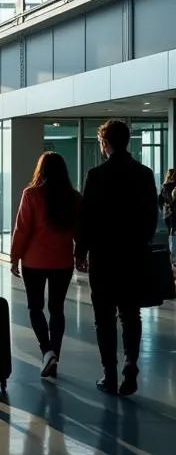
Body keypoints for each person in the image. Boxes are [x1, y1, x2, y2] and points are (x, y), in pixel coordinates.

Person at [76, 119, 159, 397]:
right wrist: (142, 241)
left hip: (104, 256)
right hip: (134, 255)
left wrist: (80, 252)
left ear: (105, 143)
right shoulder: (144, 174)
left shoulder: (96, 175)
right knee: (130, 313)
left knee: (104, 317)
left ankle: (109, 375)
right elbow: (151, 217)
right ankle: (131, 362)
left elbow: (86, 219)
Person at [10, 152, 80, 379]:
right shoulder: (74, 197)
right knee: (57, 309)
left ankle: (46, 350)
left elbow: (22, 230)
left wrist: (14, 257)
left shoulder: (31, 195)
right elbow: (80, 230)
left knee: (35, 307)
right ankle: (55, 356)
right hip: (63, 261)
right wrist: (81, 254)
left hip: (34, 261)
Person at [160, 168, 176, 261]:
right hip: (173, 212)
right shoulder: (171, 186)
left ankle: (172, 253)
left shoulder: (165, 186)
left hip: (168, 213)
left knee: (171, 231)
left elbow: (160, 201)